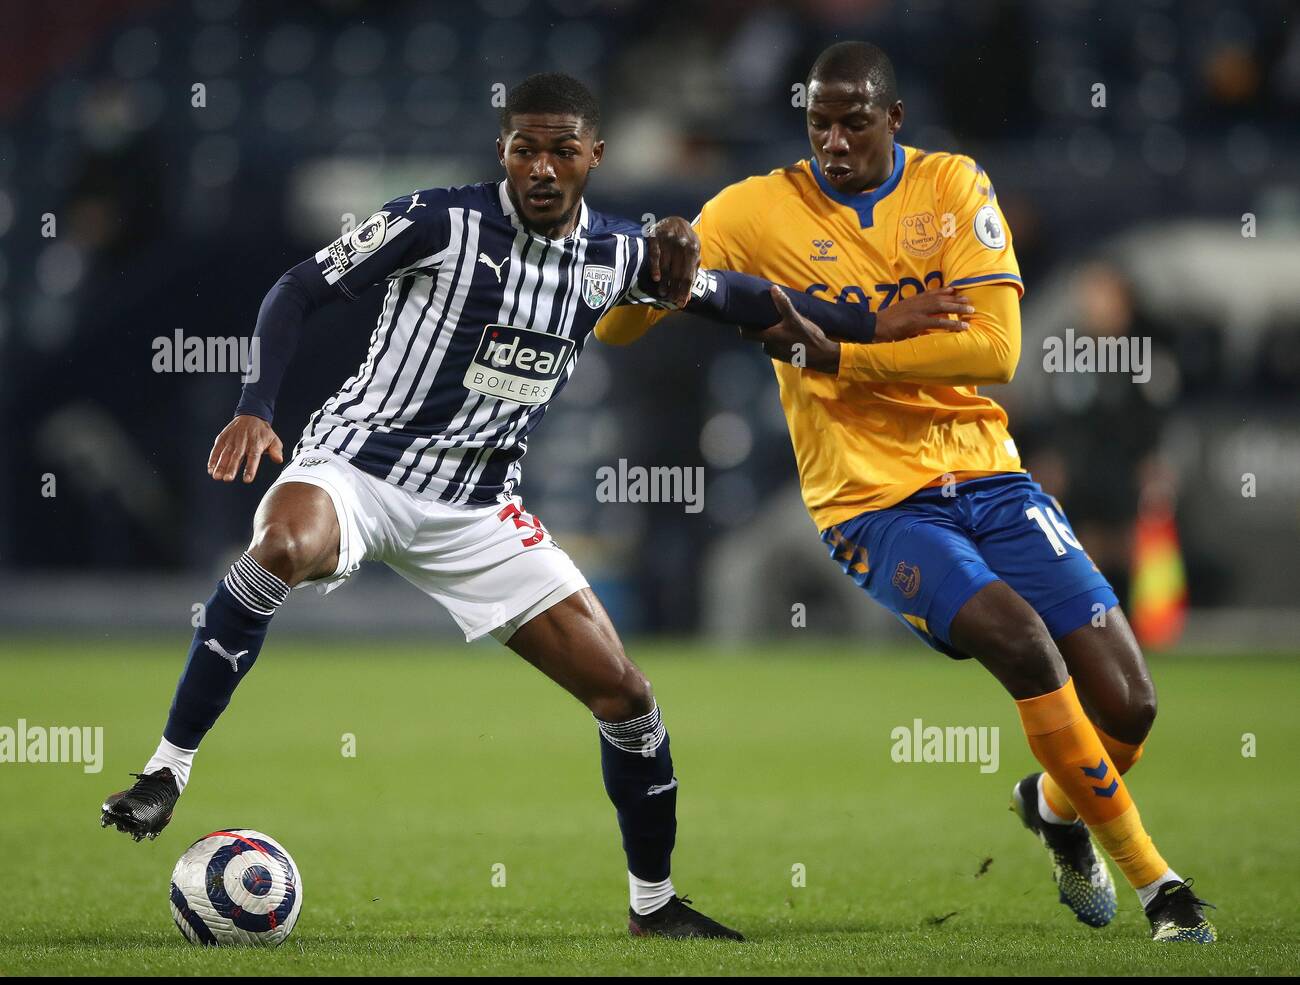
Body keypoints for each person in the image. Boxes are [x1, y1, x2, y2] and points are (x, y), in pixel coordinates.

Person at [101, 71, 951, 940]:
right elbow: (296, 290)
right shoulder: (436, 221)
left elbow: (742, 301)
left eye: (561, 149)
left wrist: (876, 326)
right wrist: (256, 404)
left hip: (477, 509)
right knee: (282, 542)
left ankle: (653, 907)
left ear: (595, 155)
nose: (542, 167)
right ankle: (167, 769)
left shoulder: (620, 259)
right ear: (502, 151)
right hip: (358, 467)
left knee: (627, 696)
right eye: (525, 148)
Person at [595, 43, 1215, 943]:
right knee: (1022, 642)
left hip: (988, 471)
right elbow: (621, 331)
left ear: (894, 120)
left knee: (1129, 703)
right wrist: (657, 270)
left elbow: (994, 349)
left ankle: (1053, 806)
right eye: (819, 124)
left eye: (854, 123)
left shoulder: (953, 187)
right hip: (873, 500)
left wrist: (841, 350)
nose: (835, 142)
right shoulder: (753, 209)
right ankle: (1163, 886)